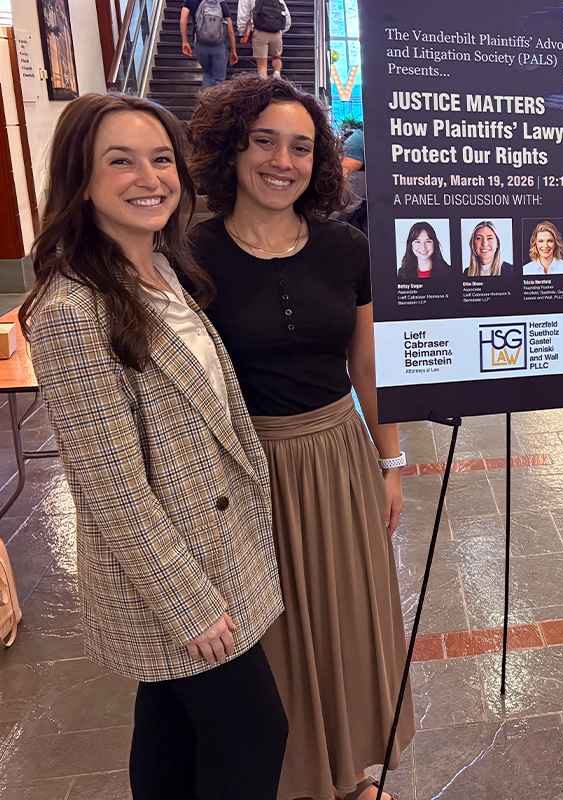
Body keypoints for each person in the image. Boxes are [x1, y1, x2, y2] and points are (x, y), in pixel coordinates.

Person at [19, 93, 287, 799]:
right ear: (80, 177)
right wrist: (189, 603)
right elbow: (110, 485)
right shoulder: (73, 310)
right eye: (121, 161)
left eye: (161, 159)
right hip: (172, 572)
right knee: (256, 734)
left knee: (171, 727)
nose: (150, 177)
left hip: (215, 547)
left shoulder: (165, 268)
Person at [186, 74, 414, 800]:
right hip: (242, 469)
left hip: (337, 455)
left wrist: (392, 461)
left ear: (320, 160)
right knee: (270, 634)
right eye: (265, 142)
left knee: (346, 618)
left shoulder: (345, 247)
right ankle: (289, 781)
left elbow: (367, 364)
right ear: (234, 147)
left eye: (301, 147)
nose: (282, 160)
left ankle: (349, 773)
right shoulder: (191, 256)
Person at [180, 0, 237, 89]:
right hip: (218, 45)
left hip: (200, 44)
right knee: (219, 79)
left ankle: (206, 100)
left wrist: (185, 42)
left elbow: (183, 21)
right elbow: (230, 30)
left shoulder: (191, 1)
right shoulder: (221, 3)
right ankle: (218, 102)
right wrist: (233, 51)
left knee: (207, 73)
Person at [237, 0, 290, 79]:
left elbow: (243, 15)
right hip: (276, 33)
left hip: (260, 32)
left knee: (262, 69)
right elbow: (286, 14)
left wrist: (242, 33)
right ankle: (277, 74)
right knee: (276, 58)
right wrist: (281, 30)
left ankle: (265, 85)